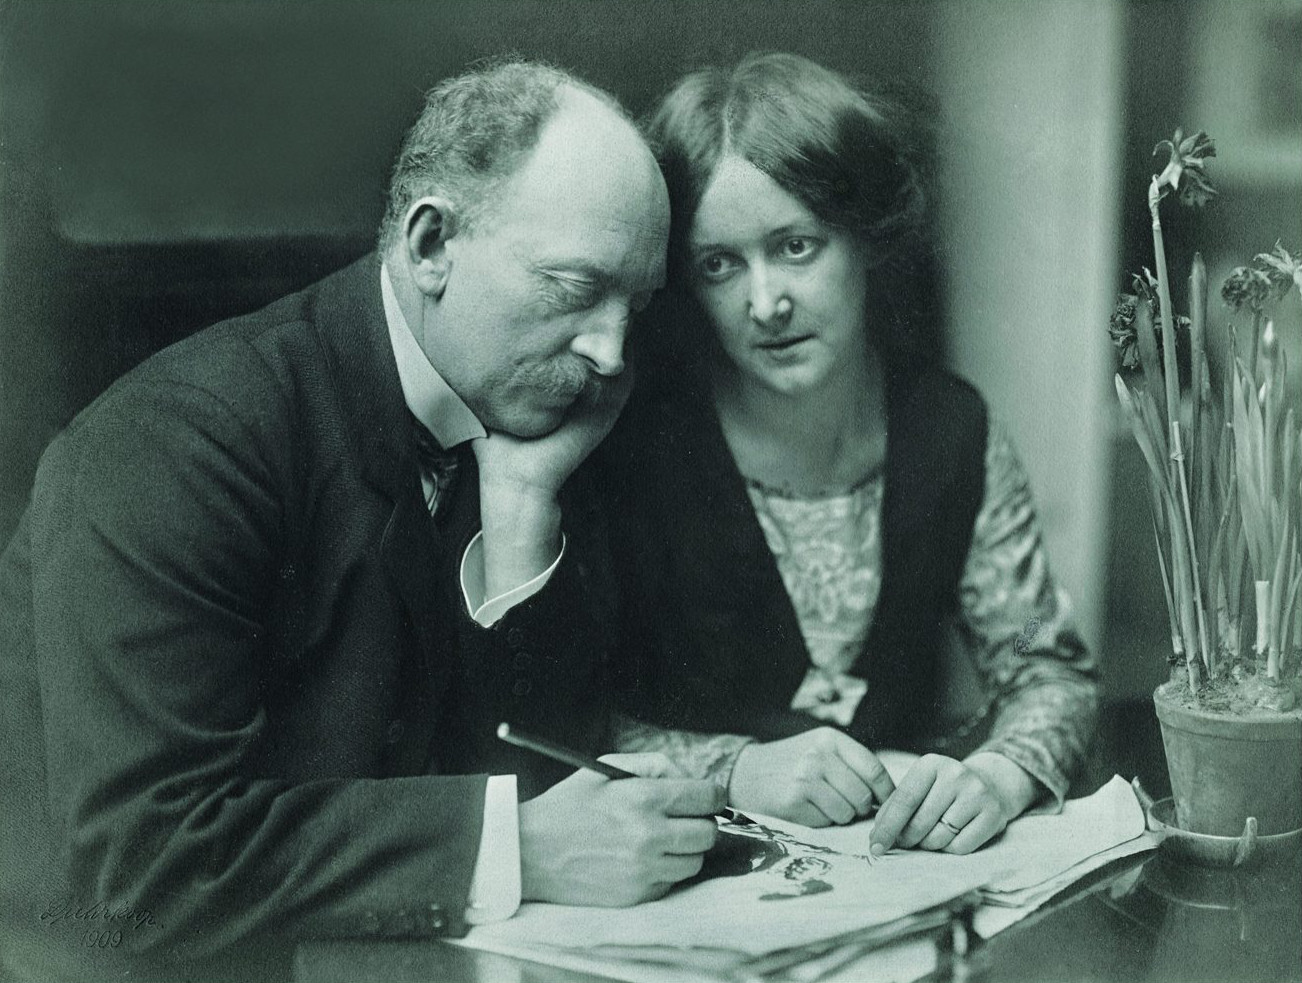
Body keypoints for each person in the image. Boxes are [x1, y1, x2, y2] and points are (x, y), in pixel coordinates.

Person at [0, 60, 724, 983]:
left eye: (637, 306)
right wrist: (513, 846)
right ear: (431, 245)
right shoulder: (182, 439)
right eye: (574, 288)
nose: (611, 352)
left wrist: (520, 510)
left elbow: (533, 771)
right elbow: (146, 864)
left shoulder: (523, 421)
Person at [601, 52, 1100, 856]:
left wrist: (1001, 772)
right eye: (720, 264)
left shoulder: (950, 431)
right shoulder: (639, 447)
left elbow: (1041, 656)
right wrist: (735, 769)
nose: (766, 302)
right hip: (686, 883)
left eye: (796, 246)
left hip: (891, 875)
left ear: (865, 237)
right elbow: (567, 718)